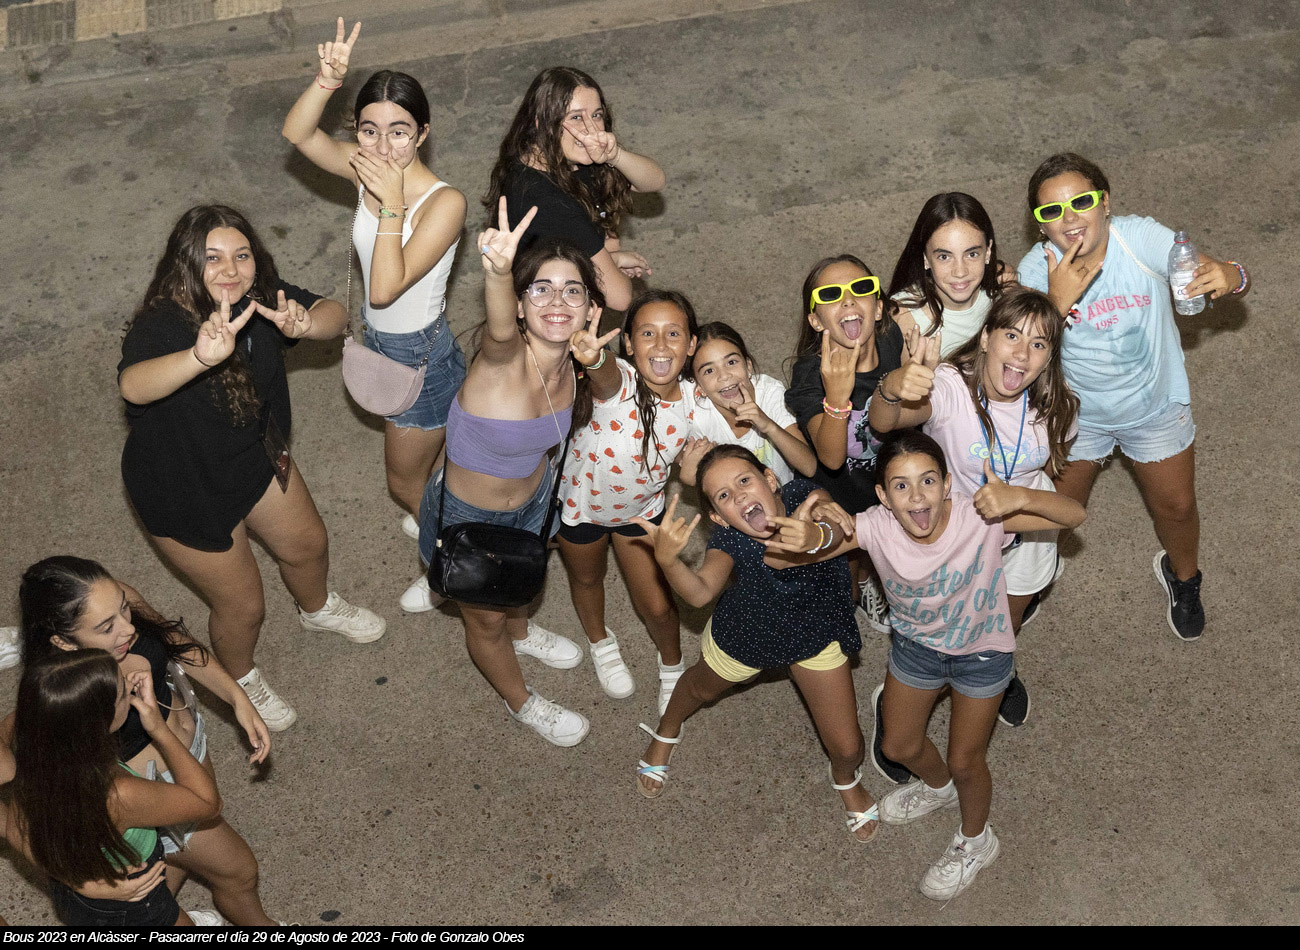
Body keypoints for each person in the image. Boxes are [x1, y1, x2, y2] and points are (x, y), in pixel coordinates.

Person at [118, 204, 385, 732]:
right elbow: (133, 385)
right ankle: (240, 676)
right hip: (184, 488)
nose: (230, 270)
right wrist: (198, 357)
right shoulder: (161, 323)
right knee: (243, 607)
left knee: (308, 545)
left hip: (255, 456)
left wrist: (307, 322)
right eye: (213, 257)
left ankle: (317, 609)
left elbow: (334, 314)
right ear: (185, 263)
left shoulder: (260, 297)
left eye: (242, 256)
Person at [788, 431, 1084, 899]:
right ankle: (938, 787)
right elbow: (787, 559)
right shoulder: (874, 526)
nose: (916, 496)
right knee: (899, 745)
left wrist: (1021, 496)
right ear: (883, 496)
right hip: (916, 651)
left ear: (948, 484)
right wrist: (806, 532)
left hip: (982, 655)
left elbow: (1074, 515)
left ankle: (977, 841)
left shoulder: (981, 515)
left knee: (967, 761)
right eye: (901, 486)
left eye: (928, 480)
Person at [1016, 153, 1250, 641]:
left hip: (1153, 408)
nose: (1069, 219)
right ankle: (1036, 576)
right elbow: (1018, 363)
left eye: (1081, 202)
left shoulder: (1137, 238)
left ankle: (1184, 577)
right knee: (1054, 513)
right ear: (1040, 225)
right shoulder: (1036, 270)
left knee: (1177, 508)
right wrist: (1055, 302)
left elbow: (1207, 269)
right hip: (1074, 416)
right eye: (1052, 210)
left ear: (1105, 204)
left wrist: (1233, 275)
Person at [414, 200, 617, 747]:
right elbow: (499, 330)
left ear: (591, 308)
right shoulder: (502, 359)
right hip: (469, 519)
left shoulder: (575, 362)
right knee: (484, 623)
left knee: (520, 579)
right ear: (522, 306)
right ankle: (521, 701)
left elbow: (613, 393)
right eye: (541, 289)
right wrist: (499, 274)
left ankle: (522, 630)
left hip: (534, 501)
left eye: (572, 291)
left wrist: (595, 361)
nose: (557, 302)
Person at [4, 556, 276, 925]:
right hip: (150, 793)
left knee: (172, 866)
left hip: (189, 755)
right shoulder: (66, 694)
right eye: (106, 628)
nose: (128, 628)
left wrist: (235, 696)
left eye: (123, 607)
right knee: (238, 871)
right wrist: (83, 884)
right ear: (63, 641)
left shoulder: (113, 603)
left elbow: (173, 639)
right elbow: (24, 820)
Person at [283, 19, 469, 544]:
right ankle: (442, 517)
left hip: (419, 357)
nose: (383, 148)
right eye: (369, 131)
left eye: (399, 132)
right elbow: (298, 134)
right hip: (382, 340)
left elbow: (386, 288)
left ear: (423, 133)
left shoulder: (444, 203)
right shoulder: (366, 167)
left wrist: (390, 202)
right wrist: (326, 81)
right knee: (430, 471)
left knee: (403, 482)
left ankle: (451, 558)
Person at [632, 446, 878, 842]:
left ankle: (845, 778)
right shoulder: (729, 542)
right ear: (718, 518)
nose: (739, 495)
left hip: (816, 634)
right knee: (698, 688)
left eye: (744, 480)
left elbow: (830, 515)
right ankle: (667, 728)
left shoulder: (805, 496)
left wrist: (819, 528)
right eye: (724, 496)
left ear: (771, 478)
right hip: (748, 634)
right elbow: (699, 593)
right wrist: (668, 562)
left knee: (849, 749)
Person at [869, 288, 1079, 733]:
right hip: (955, 535)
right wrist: (891, 387)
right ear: (985, 338)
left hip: (1025, 535)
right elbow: (885, 422)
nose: (1022, 355)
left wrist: (1021, 497)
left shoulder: (1059, 403)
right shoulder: (949, 387)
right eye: (1011, 336)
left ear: (1049, 357)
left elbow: (1052, 466)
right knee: (936, 624)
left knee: (1002, 622)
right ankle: (906, 690)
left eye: (1038, 344)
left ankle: (997, 672)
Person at [1, 650, 222, 926]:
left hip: (76, 897)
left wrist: (80, 884)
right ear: (96, 726)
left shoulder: (31, 734)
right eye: (121, 694)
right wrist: (159, 729)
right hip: (133, 902)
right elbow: (208, 803)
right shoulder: (117, 794)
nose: (130, 685)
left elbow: (15, 831)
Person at [556, 290, 698, 717]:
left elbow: (708, 460)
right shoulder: (620, 376)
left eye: (674, 333)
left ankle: (672, 664)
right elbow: (604, 375)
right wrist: (593, 358)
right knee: (586, 579)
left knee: (658, 605)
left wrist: (697, 471)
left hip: (642, 516)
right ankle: (600, 641)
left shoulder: (696, 403)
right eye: (647, 334)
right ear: (629, 345)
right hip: (580, 507)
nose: (661, 345)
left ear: (692, 344)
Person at [784, 254, 905, 635]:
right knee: (845, 578)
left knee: (889, 548)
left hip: (885, 479)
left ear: (878, 308)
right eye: (831, 295)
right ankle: (860, 584)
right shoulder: (809, 376)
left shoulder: (891, 339)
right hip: (840, 493)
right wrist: (837, 397)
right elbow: (832, 458)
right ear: (816, 320)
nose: (848, 300)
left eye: (861, 289)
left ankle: (872, 577)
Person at [484, 66, 665, 312]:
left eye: (597, 115)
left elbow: (654, 181)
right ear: (541, 123)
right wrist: (612, 262)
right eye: (576, 117)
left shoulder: (563, 160)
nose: (592, 129)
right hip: (549, 321)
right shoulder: (546, 200)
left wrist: (615, 155)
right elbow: (620, 297)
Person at [678, 321, 816, 487]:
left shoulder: (769, 392)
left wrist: (769, 426)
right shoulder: (697, 418)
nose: (724, 376)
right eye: (709, 370)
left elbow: (809, 467)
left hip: (784, 492)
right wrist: (689, 476)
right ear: (699, 387)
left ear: (748, 366)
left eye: (731, 362)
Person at [887, 192, 1009, 356]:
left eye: (972, 254)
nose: (960, 272)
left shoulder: (1004, 292)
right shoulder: (903, 317)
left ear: (987, 252)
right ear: (925, 258)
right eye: (944, 257)